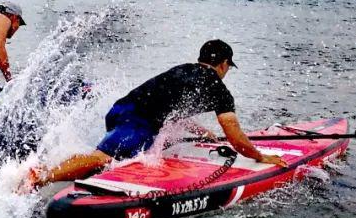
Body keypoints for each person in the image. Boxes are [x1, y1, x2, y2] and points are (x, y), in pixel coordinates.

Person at [19, 40, 288, 193]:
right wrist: (259, 156)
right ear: (224, 64)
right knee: (105, 157)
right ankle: (40, 176)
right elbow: (235, 137)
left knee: (118, 160)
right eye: (228, 67)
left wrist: (199, 132)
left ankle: (81, 183)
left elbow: (168, 107)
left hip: (121, 109)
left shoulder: (183, 70)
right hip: (139, 121)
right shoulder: (218, 88)